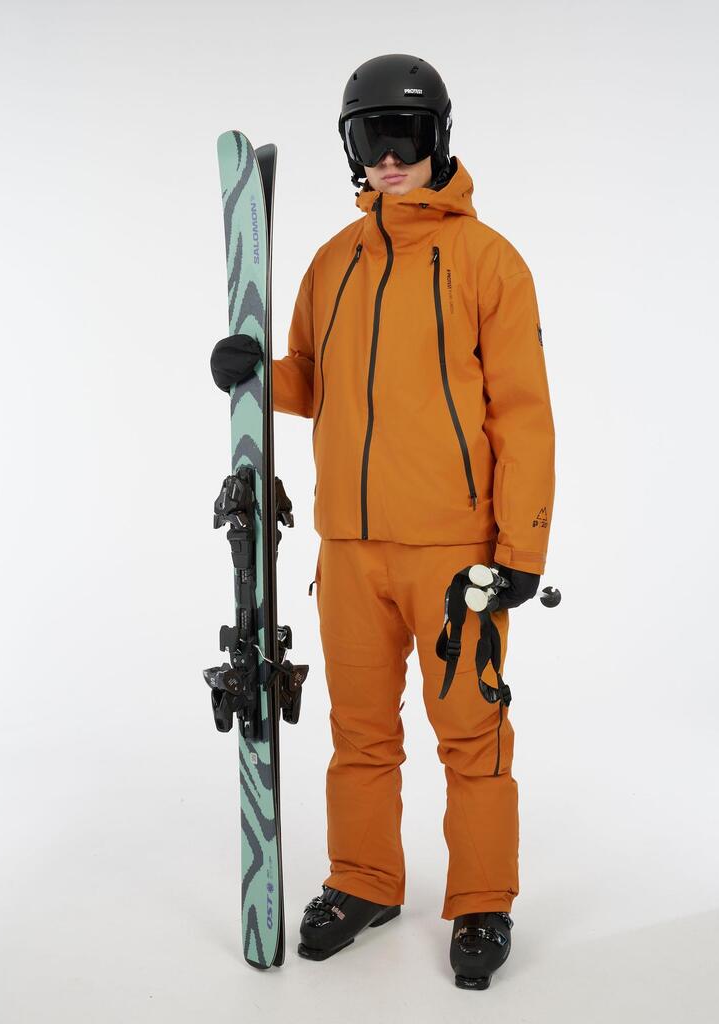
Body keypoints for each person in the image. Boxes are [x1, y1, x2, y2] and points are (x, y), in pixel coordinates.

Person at [210, 53, 556, 990]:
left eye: (406, 135)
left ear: (439, 138)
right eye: (371, 138)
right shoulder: (334, 262)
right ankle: (363, 881)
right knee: (359, 731)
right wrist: (255, 371)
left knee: (471, 735)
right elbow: (312, 380)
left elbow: (524, 414)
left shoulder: (488, 262)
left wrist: (521, 548)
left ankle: (481, 900)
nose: (389, 158)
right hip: (349, 550)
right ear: (351, 147)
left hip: (454, 554)